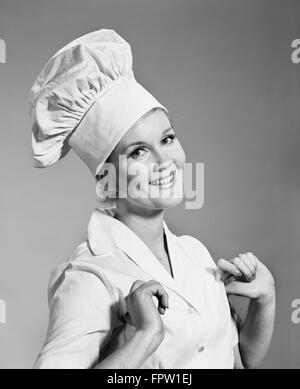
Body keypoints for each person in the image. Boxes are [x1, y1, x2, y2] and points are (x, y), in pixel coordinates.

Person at [30, 29, 275, 369]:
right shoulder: (89, 276)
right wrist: (145, 337)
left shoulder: (195, 253)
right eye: (139, 152)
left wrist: (265, 299)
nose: (165, 162)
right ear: (105, 180)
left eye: (168, 139)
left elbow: (238, 361)